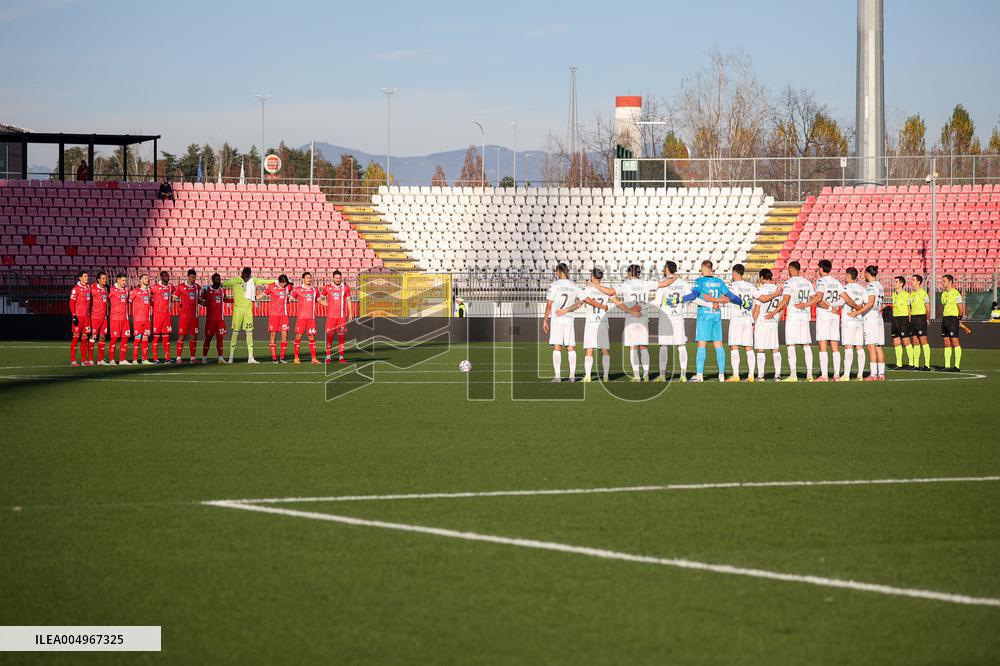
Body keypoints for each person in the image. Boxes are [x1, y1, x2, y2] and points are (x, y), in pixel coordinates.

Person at [679, 260, 743, 382]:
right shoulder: (719, 282)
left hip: (704, 317)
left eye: (701, 269)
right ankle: (721, 375)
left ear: (703, 269)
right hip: (716, 317)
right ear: (711, 269)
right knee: (718, 345)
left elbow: (693, 296)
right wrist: (741, 302)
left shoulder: (700, 281)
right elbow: (731, 297)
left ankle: (699, 375)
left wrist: (680, 299)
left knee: (701, 344)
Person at [766, 261, 814, 382]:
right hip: (804, 316)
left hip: (793, 317)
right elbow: (814, 298)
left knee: (790, 345)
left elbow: (785, 300)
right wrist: (806, 305)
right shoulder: (807, 282)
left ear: (791, 269)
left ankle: (793, 375)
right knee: (806, 345)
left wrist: (774, 312)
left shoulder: (789, 283)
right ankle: (809, 374)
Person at [222, 266, 276, 364]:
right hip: (238, 311)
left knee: (249, 332)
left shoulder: (252, 280)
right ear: (242, 274)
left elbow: (263, 281)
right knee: (235, 332)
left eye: (248, 276)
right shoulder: (235, 280)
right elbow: (223, 284)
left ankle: (250, 357)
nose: (246, 278)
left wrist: (276, 281)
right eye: (245, 276)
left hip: (248, 310)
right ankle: (231, 357)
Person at [543, 263, 584, 382]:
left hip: (557, 320)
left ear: (560, 272)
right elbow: (581, 302)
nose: (556, 274)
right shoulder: (574, 285)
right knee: (571, 347)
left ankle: (557, 377)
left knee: (557, 346)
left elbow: (549, 304)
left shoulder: (554, 285)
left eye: (556, 271)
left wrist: (545, 320)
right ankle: (572, 376)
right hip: (569, 319)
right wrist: (567, 309)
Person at [653, 261, 692, 382]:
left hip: (666, 318)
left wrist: (643, 307)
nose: (663, 270)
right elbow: (690, 297)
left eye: (664, 268)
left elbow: (657, 301)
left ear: (667, 269)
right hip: (678, 317)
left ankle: (662, 375)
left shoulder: (664, 283)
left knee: (663, 346)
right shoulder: (682, 282)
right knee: (681, 345)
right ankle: (683, 375)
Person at [725, 264, 759, 382]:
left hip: (737, 319)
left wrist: (713, 300)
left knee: (734, 347)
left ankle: (736, 375)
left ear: (734, 273)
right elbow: (761, 298)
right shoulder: (750, 286)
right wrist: (775, 294)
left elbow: (726, 298)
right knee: (749, 348)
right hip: (747, 319)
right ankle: (751, 375)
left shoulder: (732, 286)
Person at [813, 259, 845, 381]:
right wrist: (836, 306)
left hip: (824, 315)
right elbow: (844, 299)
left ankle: (824, 375)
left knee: (823, 344)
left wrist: (830, 306)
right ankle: (836, 375)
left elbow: (819, 300)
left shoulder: (821, 281)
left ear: (821, 269)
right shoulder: (836, 282)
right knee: (835, 345)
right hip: (835, 316)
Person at [854, 265, 886, 381]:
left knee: (871, 345)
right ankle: (881, 374)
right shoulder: (880, 286)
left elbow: (870, 303)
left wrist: (857, 312)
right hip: (878, 316)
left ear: (868, 274)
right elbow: (880, 305)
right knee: (878, 346)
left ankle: (873, 374)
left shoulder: (871, 286)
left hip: (871, 317)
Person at [753, 269, 784, 381]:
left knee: (760, 349)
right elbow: (782, 308)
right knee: (775, 349)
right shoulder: (778, 290)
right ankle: (778, 375)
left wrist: (753, 322)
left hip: (762, 322)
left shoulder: (760, 290)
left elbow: (757, 309)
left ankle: (761, 375)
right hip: (773, 322)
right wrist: (776, 320)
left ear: (762, 277)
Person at [839, 267, 868, 381]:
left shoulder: (845, 288)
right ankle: (860, 375)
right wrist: (859, 310)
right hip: (859, 319)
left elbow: (841, 301)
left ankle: (846, 375)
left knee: (848, 347)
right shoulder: (862, 289)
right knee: (860, 347)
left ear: (847, 276)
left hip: (848, 319)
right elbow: (867, 303)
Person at [320, 270, 352, 364]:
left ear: (341, 278)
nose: (338, 280)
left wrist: (350, 314)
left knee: (341, 337)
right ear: (333, 278)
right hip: (331, 317)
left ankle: (341, 358)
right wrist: (325, 304)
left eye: (339, 278)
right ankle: (328, 357)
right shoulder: (328, 287)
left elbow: (348, 301)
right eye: (336, 278)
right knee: (329, 337)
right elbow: (319, 297)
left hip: (341, 317)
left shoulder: (345, 288)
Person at [290, 272, 321, 364]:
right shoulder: (298, 289)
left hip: (311, 318)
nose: (309, 279)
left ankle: (314, 359)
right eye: (307, 278)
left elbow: (320, 300)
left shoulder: (315, 290)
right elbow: (290, 298)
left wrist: (330, 305)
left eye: (310, 278)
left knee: (312, 337)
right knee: (298, 337)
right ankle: (296, 358)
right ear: (303, 279)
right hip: (301, 318)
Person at [200, 273, 231, 364]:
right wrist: (204, 304)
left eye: (219, 279)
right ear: (213, 280)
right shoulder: (207, 290)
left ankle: (220, 358)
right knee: (208, 338)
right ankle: (204, 358)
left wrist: (235, 300)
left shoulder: (222, 290)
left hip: (220, 320)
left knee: (220, 339)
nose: (218, 281)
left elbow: (225, 299)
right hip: (210, 320)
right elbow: (200, 299)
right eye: (217, 279)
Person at [173, 269, 201, 363]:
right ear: (188, 276)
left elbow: (199, 299)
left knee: (194, 337)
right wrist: (180, 304)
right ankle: (178, 358)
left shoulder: (197, 287)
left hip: (194, 317)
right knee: (181, 336)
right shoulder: (181, 287)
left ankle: (193, 358)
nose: (194, 279)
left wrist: (207, 303)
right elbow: (174, 297)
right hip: (184, 316)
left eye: (195, 277)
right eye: (192, 277)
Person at [940, 274, 965, 372]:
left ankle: (956, 366)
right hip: (945, 319)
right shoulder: (943, 294)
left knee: (955, 342)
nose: (943, 283)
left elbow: (960, 308)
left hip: (953, 319)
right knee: (946, 342)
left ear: (950, 282)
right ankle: (946, 366)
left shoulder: (956, 294)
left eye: (944, 281)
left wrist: (958, 318)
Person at [265, 275, 293, 363]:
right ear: (279, 281)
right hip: (274, 315)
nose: (284, 285)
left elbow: (292, 284)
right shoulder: (272, 287)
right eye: (282, 283)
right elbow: (263, 294)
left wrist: (289, 281)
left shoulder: (288, 287)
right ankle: (274, 357)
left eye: (285, 283)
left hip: (284, 315)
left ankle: (282, 357)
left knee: (284, 336)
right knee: (273, 336)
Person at [69, 270, 93, 366]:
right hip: (78, 317)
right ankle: (73, 360)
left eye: (87, 276)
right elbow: (71, 303)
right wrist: (74, 315)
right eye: (85, 276)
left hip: (86, 317)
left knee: (85, 338)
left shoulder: (88, 288)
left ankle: (84, 360)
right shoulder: (76, 289)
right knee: (75, 337)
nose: (87, 278)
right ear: (80, 278)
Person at [890, 276, 913, 370]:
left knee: (906, 341)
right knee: (896, 341)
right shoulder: (893, 294)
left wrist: (909, 320)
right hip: (895, 319)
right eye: (894, 282)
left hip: (903, 319)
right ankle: (899, 364)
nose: (894, 283)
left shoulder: (906, 295)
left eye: (896, 282)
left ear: (901, 284)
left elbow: (909, 309)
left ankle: (911, 363)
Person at [908, 274, 931, 370]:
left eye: (913, 280)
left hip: (921, 318)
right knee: (915, 341)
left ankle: (927, 365)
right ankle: (916, 365)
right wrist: (909, 319)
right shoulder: (911, 294)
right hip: (913, 319)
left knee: (923, 341)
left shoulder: (923, 293)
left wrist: (927, 319)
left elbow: (928, 309)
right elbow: (909, 308)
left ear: (918, 282)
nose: (911, 282)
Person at [149, 271, 173, 363]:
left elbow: (174, 295)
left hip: (167, 315)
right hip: (157, 315)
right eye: (165, 276)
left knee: (166, 336)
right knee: (156, 337)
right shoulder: (155, 287)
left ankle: (167, 358)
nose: (167, 277)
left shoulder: (170, 287)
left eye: (168, 276)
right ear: (161, 277)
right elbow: (147, 295)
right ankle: (155, 358)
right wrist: (154, 305)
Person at [129, 274, 153, 364]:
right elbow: (129, 301)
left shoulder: (149, 291)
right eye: (145, 278)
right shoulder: (135, 291)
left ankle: (144, 359)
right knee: (137, 339)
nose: (147, 280)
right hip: (138, 320)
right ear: (140, 280)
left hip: (147, 320)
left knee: (145, 339)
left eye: (148, 278)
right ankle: (134, 360)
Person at [108, 273, 131, 365]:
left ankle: (122, 359)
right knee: (114, 339)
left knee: (125, 338)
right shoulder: (112, 290)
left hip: (125, 318)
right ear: (118, 280)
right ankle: (112, 359)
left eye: (125, 280)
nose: (124, 282)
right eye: (123, 280)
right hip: (115, 319)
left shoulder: (126, 290)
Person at [89, 271, 111, 365]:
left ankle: (100, 360)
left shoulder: (106, 289)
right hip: (95, 317)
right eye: (103, 278)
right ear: (98, 280)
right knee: (93, 337)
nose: (105, 280)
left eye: (105, 278)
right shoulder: (92, 288)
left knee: (102, 337)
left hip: (104, 317)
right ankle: (90, 360)